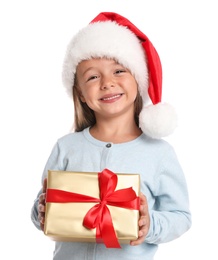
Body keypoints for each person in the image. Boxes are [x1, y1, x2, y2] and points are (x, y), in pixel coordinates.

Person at [31, 12, 192, 260]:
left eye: (118, 71)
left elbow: (181, 217)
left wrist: (150, 224)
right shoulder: (66, 147)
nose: (107, 83)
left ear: (138, 80)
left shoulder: (159, 153)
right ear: (81, 94)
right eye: (93, 77)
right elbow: (41, 210)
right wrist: (41, 210)